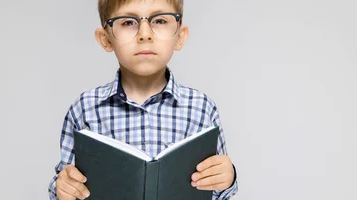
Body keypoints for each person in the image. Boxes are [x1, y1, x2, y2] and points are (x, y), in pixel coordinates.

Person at [48, 0, 238, 199]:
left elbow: (219, 193)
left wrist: (228, 177)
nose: (144, 34)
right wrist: (63, 187)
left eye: (160, 20)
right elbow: (64, 184)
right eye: (128, 22)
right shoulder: (84, 109)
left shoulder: (202, 109)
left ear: (180, 36)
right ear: (105, 39)